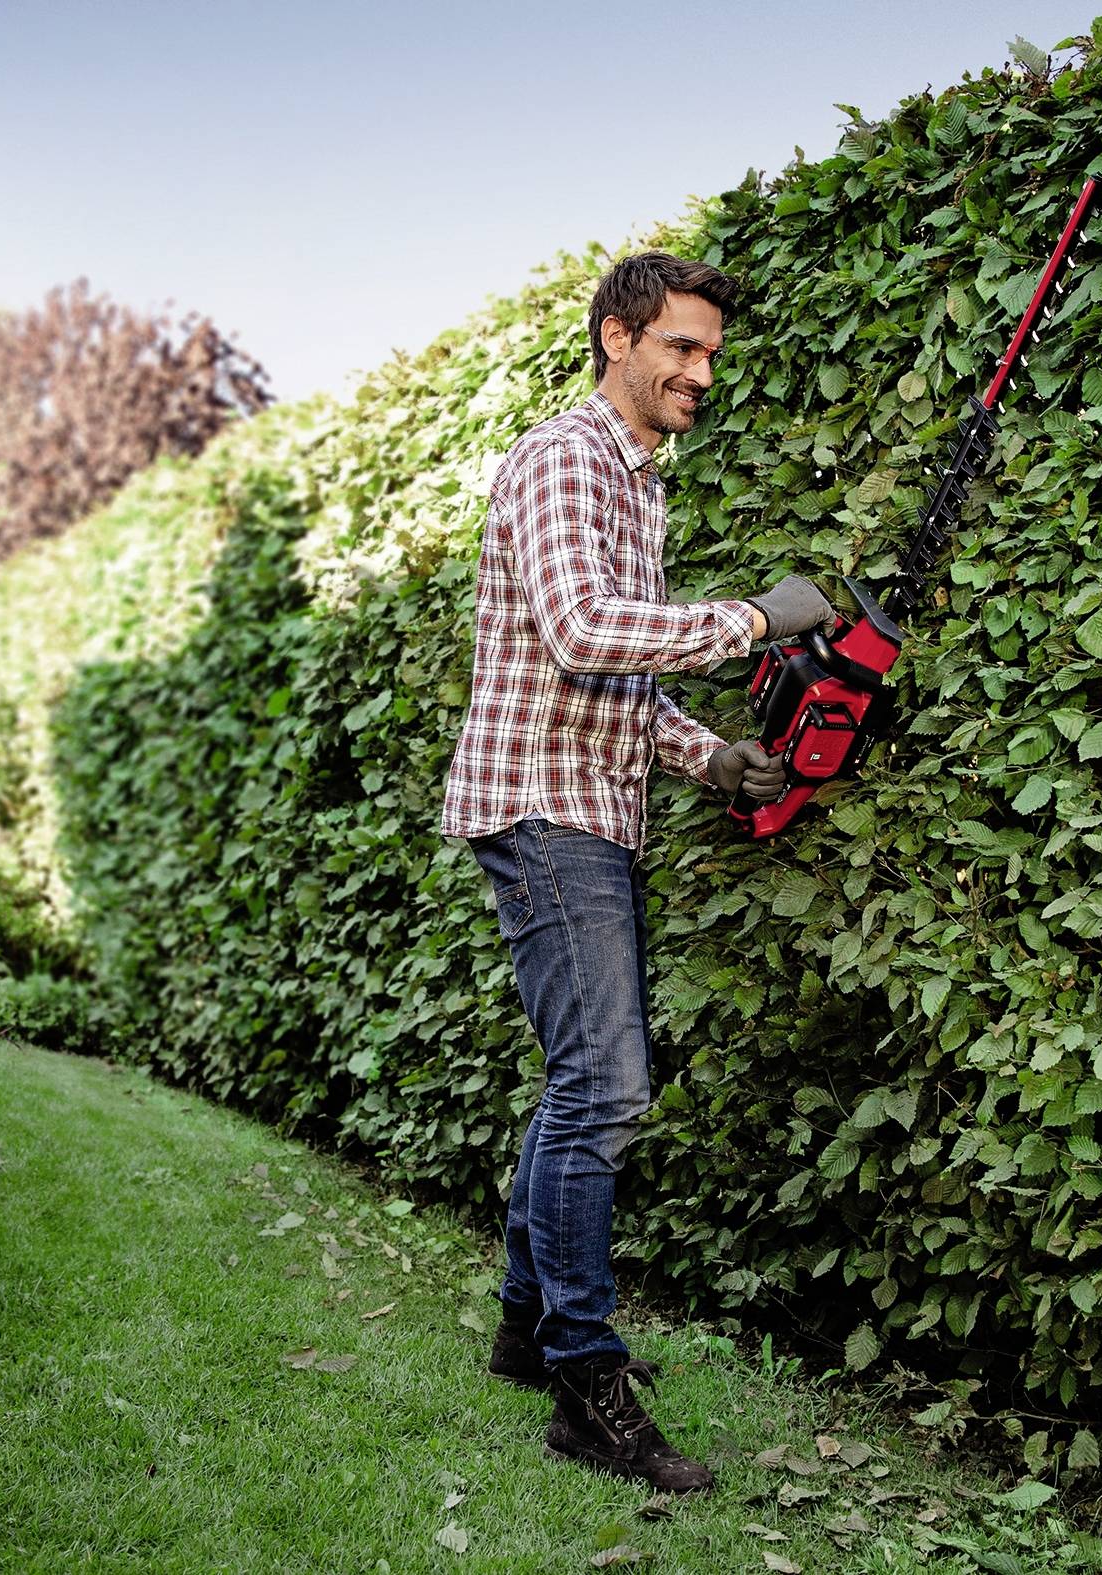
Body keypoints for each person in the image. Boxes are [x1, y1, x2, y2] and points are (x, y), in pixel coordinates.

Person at [438, 251, 834, 1494]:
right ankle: (584, 1384)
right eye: (679, 347)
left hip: (588, 805)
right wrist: (758, 619)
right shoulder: (566, 458)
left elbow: (611, 678)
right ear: (618, 337)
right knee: (606, 1092)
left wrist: (713, 758)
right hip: (545, 810)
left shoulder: (631, 481)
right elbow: (583, 628)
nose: (699, 372)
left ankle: (524, 1332)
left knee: (579, 1086)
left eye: (710, 352)